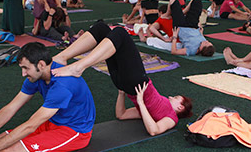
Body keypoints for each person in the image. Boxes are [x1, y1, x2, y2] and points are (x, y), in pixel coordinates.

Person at [51, 22, 193, 135]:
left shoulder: (171, 118)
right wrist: (121, 93)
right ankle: (61, 57)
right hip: (124, 83)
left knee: (121, 33)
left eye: (175, 97)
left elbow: (154, 130)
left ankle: (78, 67)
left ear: (180, 107)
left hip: (137, 82)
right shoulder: (152, 111)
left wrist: (140, 103)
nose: (170, 96)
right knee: (101, 29)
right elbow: (122, 114)